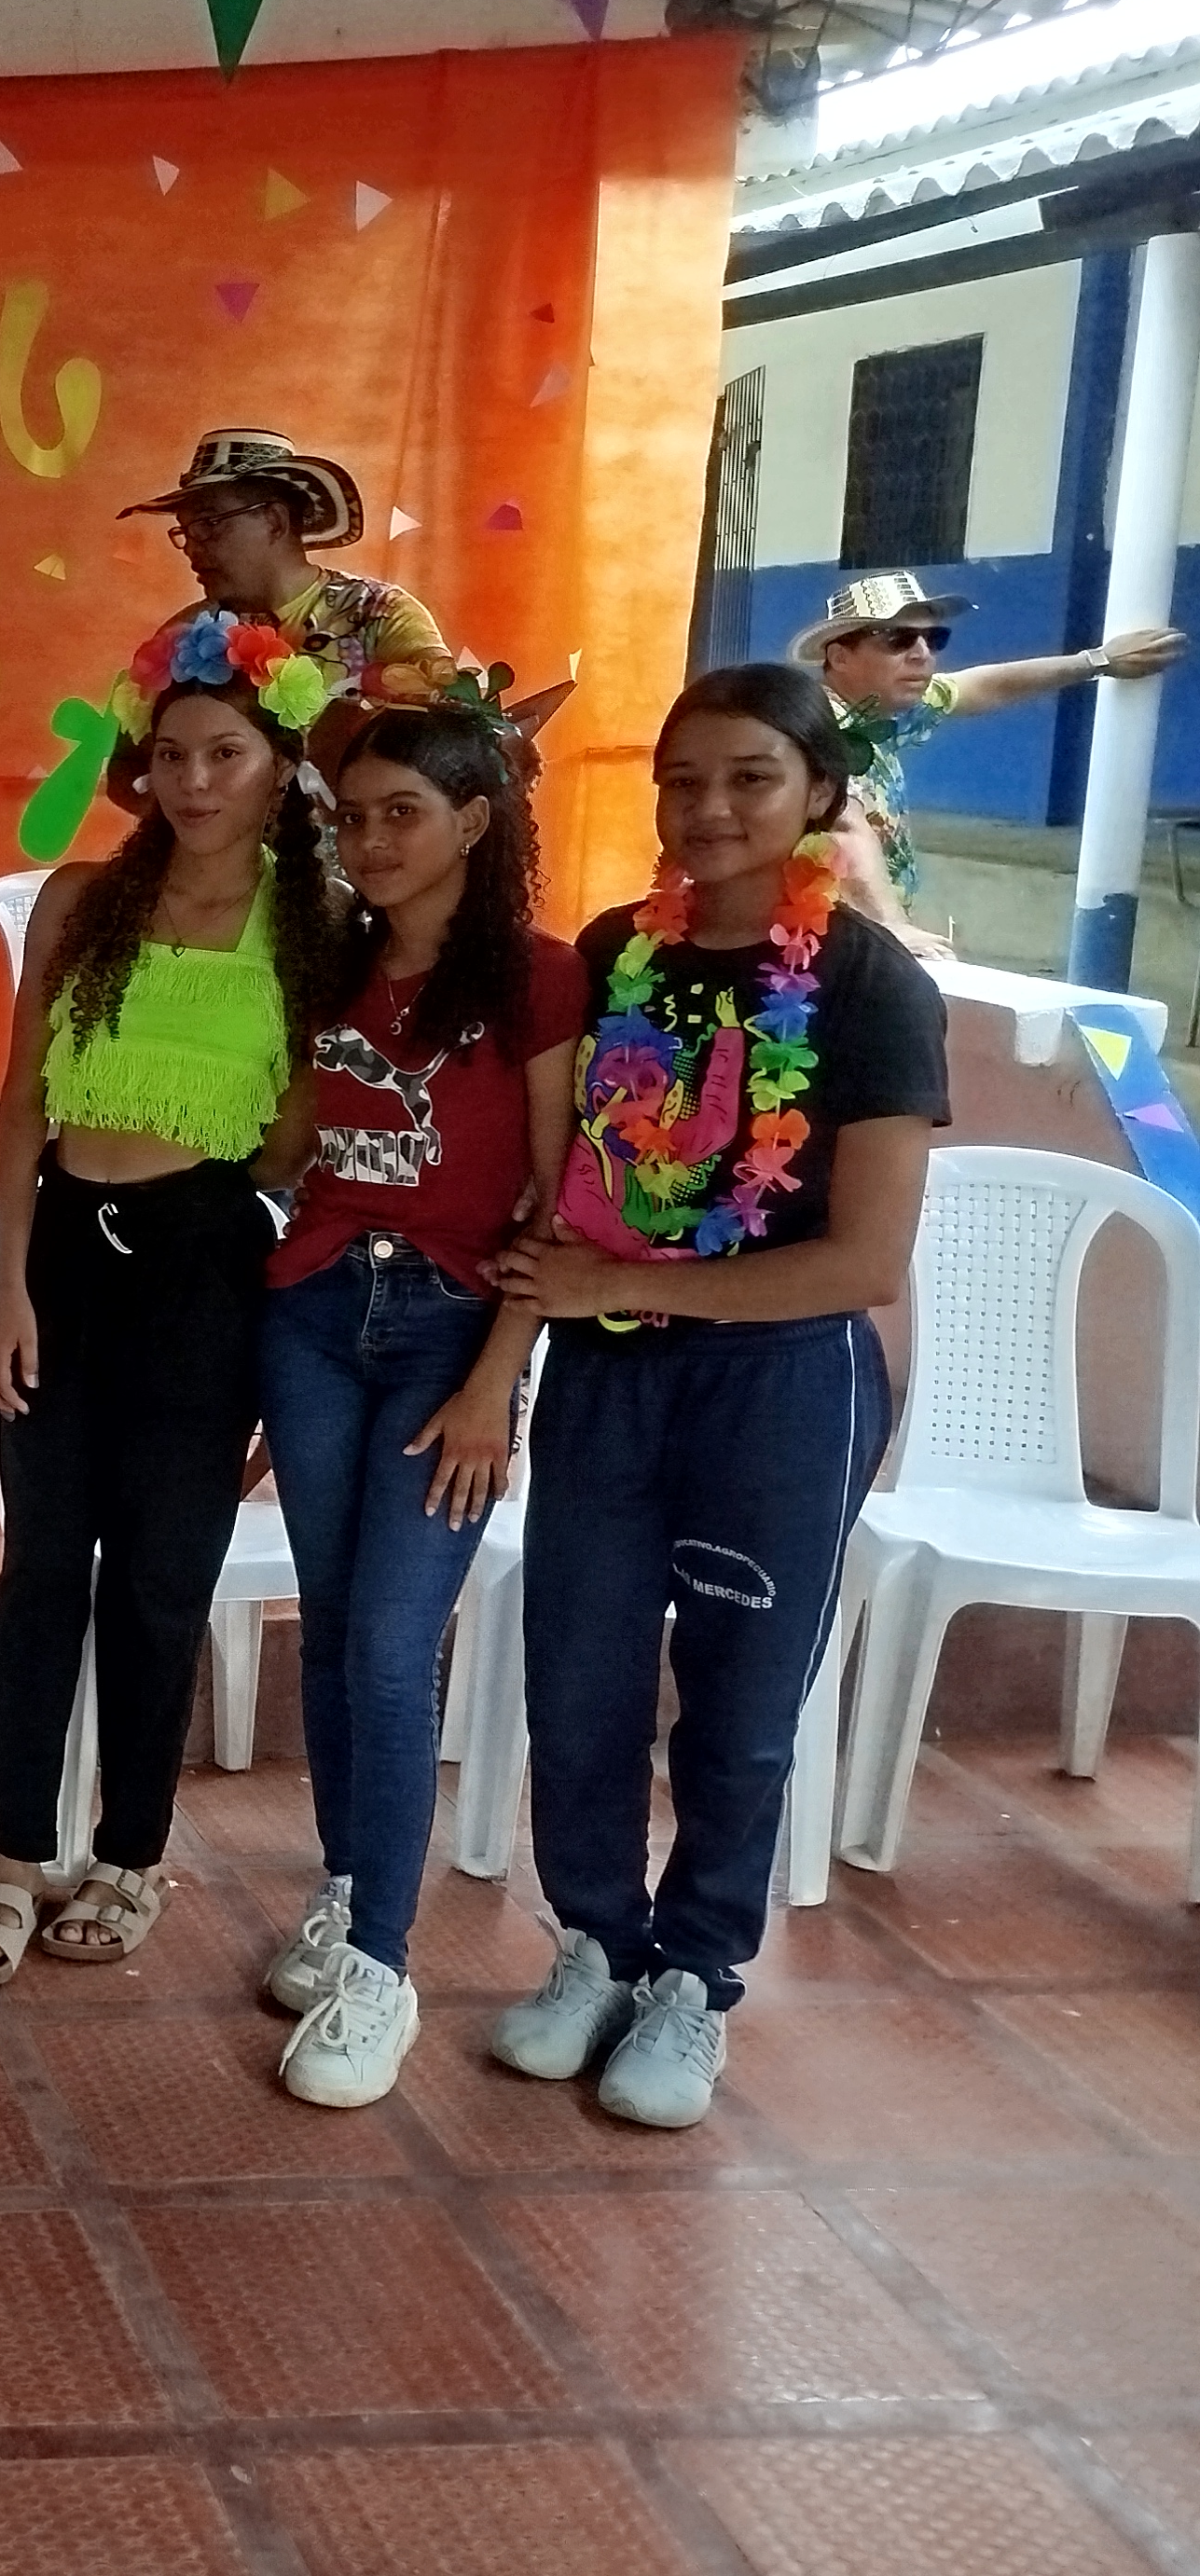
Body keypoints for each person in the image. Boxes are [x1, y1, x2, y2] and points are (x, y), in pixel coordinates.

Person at [490, 663, 945, 2130]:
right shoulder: (619, 955)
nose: (710, 809)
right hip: (607, 1378)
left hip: (779, 1390)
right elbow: (571, 1172)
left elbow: (863, 1262)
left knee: (742, 1709)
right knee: (581, 1678)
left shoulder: (871, 986)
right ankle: (594, 1944)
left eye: (750, 777)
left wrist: (627, 1286)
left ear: (818, 792)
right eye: (682, 781)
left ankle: (694, 1980)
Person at [0, 614, 337, 1983]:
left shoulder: (311, 922)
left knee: (162, 1580)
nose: (193, 780)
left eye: (224, 752)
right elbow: (19, 1110)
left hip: (203, 1262)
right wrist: (3, 1286)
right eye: (171, 754)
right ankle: (12, 1856)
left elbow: (295, 1142)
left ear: (278, 762)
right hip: (63, 1249)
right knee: (40, 1570)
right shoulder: (83, 900)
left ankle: (129, 1856)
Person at [248, 695, 581, 2109]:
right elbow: (286, 1156)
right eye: (353, 818)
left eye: (403, 813)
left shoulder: (540, 980)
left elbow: (556, 1198)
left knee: (392, 1647)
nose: (373, 841)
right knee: (334, 1631)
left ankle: (381, 1967)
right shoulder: (331, 967)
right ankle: (346, 1890)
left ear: (474, 822)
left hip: (450, 1333)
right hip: (314, 1313)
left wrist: (496, 1382)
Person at [789, 570, 1186, 936]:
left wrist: (1097, 661)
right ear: (840, 657)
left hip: (861, 935)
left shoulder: (877, 711)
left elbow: (980, 687)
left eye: (934, 639)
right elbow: (845, 826)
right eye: (898, 639)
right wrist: (894, 927)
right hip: (813, 942)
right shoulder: (818, 728)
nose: (922, 653)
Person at [114, 430, 455, 777]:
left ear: (275, 522)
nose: (190, 547)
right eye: (185, 531)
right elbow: (127, 776)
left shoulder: (379, 612)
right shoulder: (184, 634)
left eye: (209, 523)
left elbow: (448, 735)